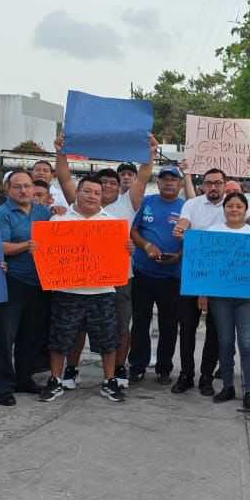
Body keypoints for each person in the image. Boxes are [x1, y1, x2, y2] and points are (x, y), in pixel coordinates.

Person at [54, 134, 154, 386]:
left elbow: (142, 176)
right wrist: (60, 152)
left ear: (119, 185)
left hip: (117, 278)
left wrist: (151, 153)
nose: (107, 187)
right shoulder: (73, 207)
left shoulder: (127, 203)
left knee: (119, 327)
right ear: (85, 191)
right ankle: (71, 369)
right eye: (102, 184)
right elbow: (65, 177)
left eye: (113, 182)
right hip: (76, 280)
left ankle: (118, 369)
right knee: (76, 329)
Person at [37, 176, 130, 403]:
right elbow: (46, 252)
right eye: (87, 191)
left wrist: (128, 248)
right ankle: (56, 379)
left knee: (108, 340)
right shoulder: (58, 219)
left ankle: (109, 381)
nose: (92, 196)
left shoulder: (113, 222)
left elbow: (121, 255)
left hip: (102, 291)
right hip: (67, 292)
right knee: (60, 339)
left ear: (102, 196)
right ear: (77, 192)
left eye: (96, 193)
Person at [195, 192, 250, 411]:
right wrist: (203, 293)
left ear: (246, 210)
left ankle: (249, 390)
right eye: (230, 206)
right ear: (224, 209)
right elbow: (205, 266)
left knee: (247, 343)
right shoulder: (213, 232)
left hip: (245, 299)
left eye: (239, 206)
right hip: (220, 298)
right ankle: (227, 385)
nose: (234, 210)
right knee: (225, 343)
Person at [0, 170, 53, 406]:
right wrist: (27, 245)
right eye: (18, 187)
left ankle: (23, 378)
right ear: (7, 189)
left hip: (40, 282)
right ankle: (2, 386)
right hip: (12, 281)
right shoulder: (2, 214)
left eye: (27, 186)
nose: (24, 191)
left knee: (31, 334)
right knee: (5, 335)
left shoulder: (42, 212)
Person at [129, 166, 187, 390]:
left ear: (180, 184)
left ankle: (164, 368)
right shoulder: (147, 202)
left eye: (174, 179)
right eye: (165, 179)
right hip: (143, 274)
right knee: (140, 323)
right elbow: (134, 231)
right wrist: (146, 245)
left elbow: (192, 239)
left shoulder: (186, 207)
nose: (169, 183)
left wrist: (178, 256)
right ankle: (137, 366)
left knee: (169, 325)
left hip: (172, 276)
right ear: (158, 182)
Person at [173, 168, 228, 395]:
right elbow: (184, 221)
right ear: (203, 185)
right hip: (193, 274)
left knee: (215, 330)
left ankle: (206, 376)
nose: (213, 187)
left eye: (218, 183)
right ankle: (186, 373)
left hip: (219, 278)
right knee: (187, 327)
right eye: (209, 183)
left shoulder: (234, 206)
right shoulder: (192, 204)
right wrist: (181, 228)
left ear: (225, 185)